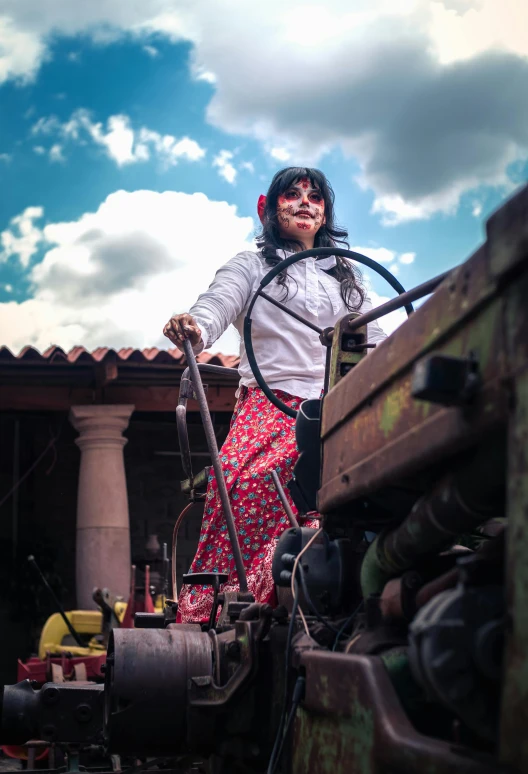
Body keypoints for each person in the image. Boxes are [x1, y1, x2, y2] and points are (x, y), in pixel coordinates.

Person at [163, 167, 386, 623]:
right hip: (272, 405)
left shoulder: (347, 280)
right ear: (269, 208)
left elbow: (378, 338)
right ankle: (232, 598)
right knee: (259, 475)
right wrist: (195, 327)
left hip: (337, 405)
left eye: (315, 197)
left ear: (325, 213)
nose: (305, 202)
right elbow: (216, 306)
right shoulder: (252, 265)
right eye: (293, 194)